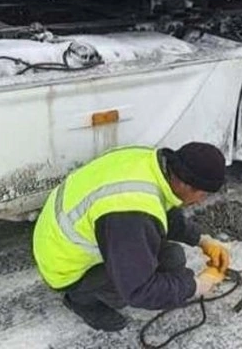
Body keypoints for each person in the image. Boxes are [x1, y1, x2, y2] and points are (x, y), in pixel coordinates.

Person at [32, 142, 231, 331]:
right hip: (64, 266)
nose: (200, 201)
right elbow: (139, 291)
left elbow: (163, 207)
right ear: (187, 185)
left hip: (58, 236)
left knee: (172, 257)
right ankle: (80, 299)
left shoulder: (152, 164)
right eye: (203, 195)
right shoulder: (131, 214)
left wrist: (202, 240)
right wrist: (197, 285)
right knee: (133, 288)